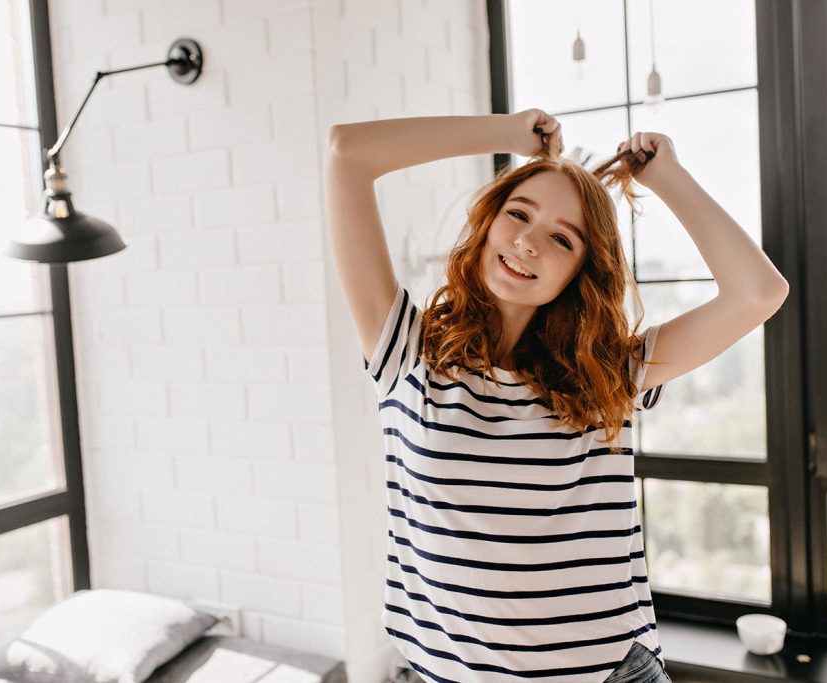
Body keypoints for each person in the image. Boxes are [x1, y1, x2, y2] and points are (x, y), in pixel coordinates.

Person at [324, 111, 789, 683]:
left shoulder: (607, 377)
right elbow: (347, 153)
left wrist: (669, 179)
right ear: (488, 223)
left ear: (579, 272)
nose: (526, 242)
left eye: (561, 238)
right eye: (518, 214)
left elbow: (759, 292)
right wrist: (507, 134)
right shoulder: (410, 354)